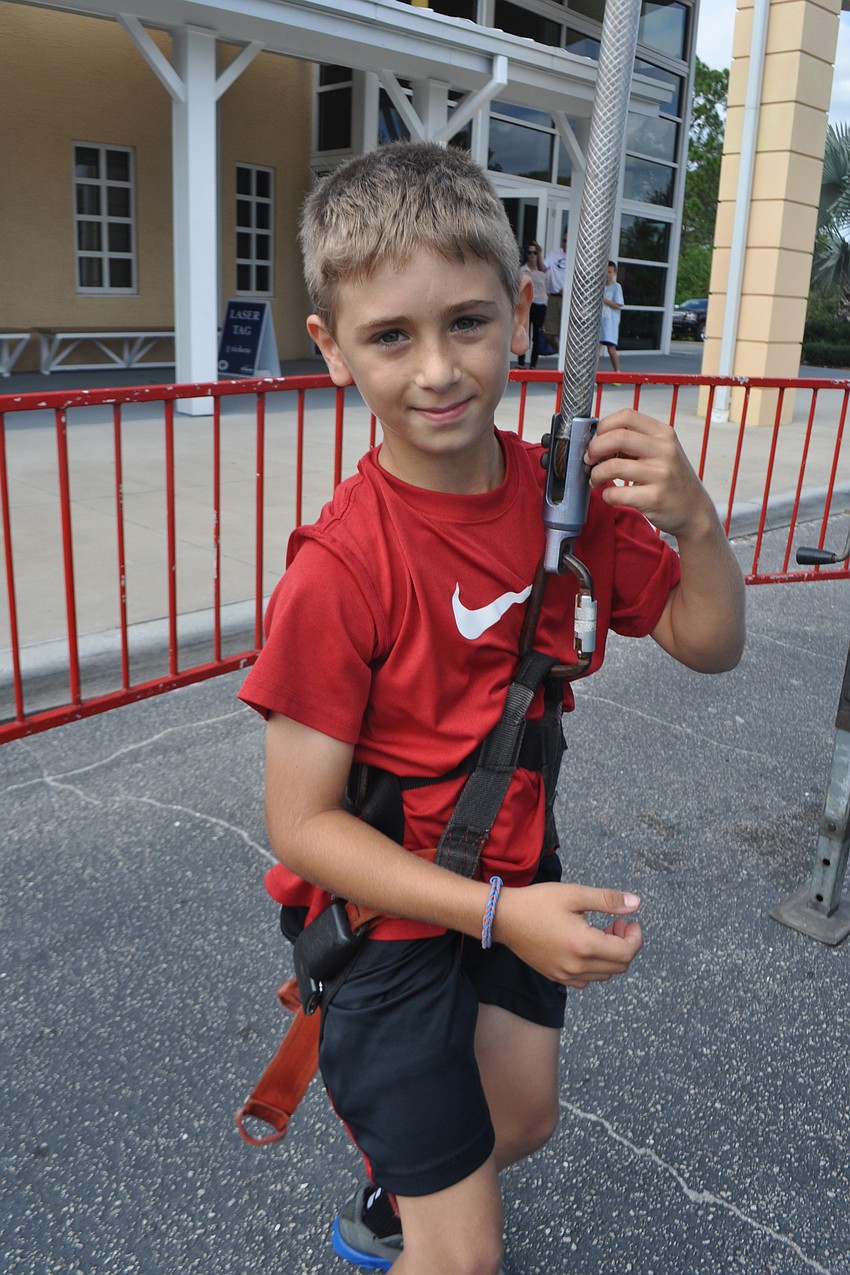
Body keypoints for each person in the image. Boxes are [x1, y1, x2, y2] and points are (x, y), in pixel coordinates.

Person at [238, 141, 745, 1275]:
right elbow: (301, 827)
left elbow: (709, 647)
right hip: (389, 917)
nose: (436, 370)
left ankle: (401, 1189)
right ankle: (422, 1204)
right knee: (463, 1256)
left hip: (516, 857)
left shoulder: (566, 502)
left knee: (521, 1121)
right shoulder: (340, 571)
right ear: (331, 350)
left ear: (522, 315)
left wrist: (697, 523)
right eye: (390, 336)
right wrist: (497, 916)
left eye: (467, 323)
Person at [516, 242, 548, 369]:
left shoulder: (543, 271)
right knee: (524, 332)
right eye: (530, 252)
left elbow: (548, 288)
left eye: (535, 252)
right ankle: (521, 361)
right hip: (526, 304)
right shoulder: (522, 270)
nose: (532, 255)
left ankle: (533, 364)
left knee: (536, 334)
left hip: (540, 304)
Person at [599, 259, 624, 373]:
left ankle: (617, 372)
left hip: (610, 325)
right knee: (596, 350)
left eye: (610, 272)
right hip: (599, 323)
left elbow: (618, 305)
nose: (607, 274)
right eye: (605, 271)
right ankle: (592, 375)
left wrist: (605, 300)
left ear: (614, 273)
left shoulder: (616, 287)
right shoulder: (599, 286)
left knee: (611, 349)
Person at [543, 227, 568, 347]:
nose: (565, 243)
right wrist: (538, 254)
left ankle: (567, 357)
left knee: (568, 332)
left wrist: (569, 289)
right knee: (549, 332)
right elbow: (543, 268)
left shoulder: (578, 256)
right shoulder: (554, 254)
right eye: (563, 240)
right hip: (554, 297)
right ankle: (562, 353)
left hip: (569, 299)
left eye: (567, 240)